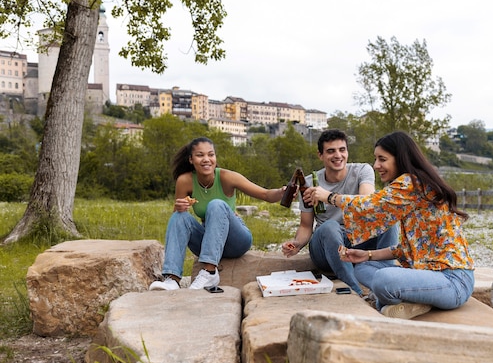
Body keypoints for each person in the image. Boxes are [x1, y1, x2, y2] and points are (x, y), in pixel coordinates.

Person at [308, 131, 474, 319]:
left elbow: (371, 206)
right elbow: (408, 248)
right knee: (363, 268)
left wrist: (329, 197)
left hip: (452, 281)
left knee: (383, 279)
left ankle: (402, 299)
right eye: (376, 159)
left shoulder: (411, 184)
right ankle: (415, 302)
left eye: (382, 159)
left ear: (399, 159)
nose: (376, 165)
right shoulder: (409, 185)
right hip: (426, 274)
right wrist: (368, 254)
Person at [149, 137, 284, 291]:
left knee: (216, 204)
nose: (206, 159)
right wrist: (179, 207)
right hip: (208, 241)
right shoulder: (185, 181)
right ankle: (172, 279)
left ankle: (210, 272)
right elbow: (179, 225)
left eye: (211, 155)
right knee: (179, 216)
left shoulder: (227, 177)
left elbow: (266, 195)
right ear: (191, 159)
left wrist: (282, 192)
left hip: (236, 241)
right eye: (200, 155)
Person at [281, 129, 398, 296]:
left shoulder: (362, 170)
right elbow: (306, 226)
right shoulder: (308, 182)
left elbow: (367, 203)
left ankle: (387, 280)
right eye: (331, 151)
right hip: (326, 247)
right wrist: (297, 244)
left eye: (342, 150)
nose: (338, 155)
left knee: (388, 216)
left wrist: (328, 197)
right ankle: (357, 291)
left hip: (359, 240)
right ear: (320, 155)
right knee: (330, 226)